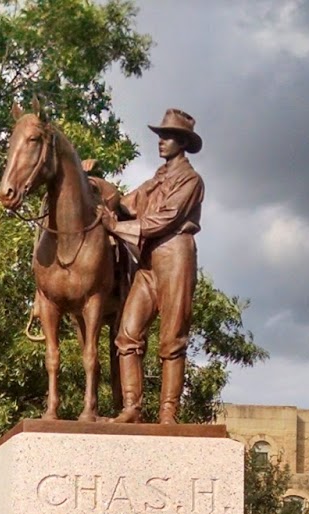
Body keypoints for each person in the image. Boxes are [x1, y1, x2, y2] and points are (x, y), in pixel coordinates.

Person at [108, 108, 205, 424]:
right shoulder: (154, 181)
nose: (161, 141)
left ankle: (168, 412)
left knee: (172, 337)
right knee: (127, 333)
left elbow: (166, 219)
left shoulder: (190, 180)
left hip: (175, 255)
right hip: (148, 261)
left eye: (168, 136)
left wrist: (117, 228)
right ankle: (132, 408)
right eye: (160, 136)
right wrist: (91, 185)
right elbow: (124, 204)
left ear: (183, 142)